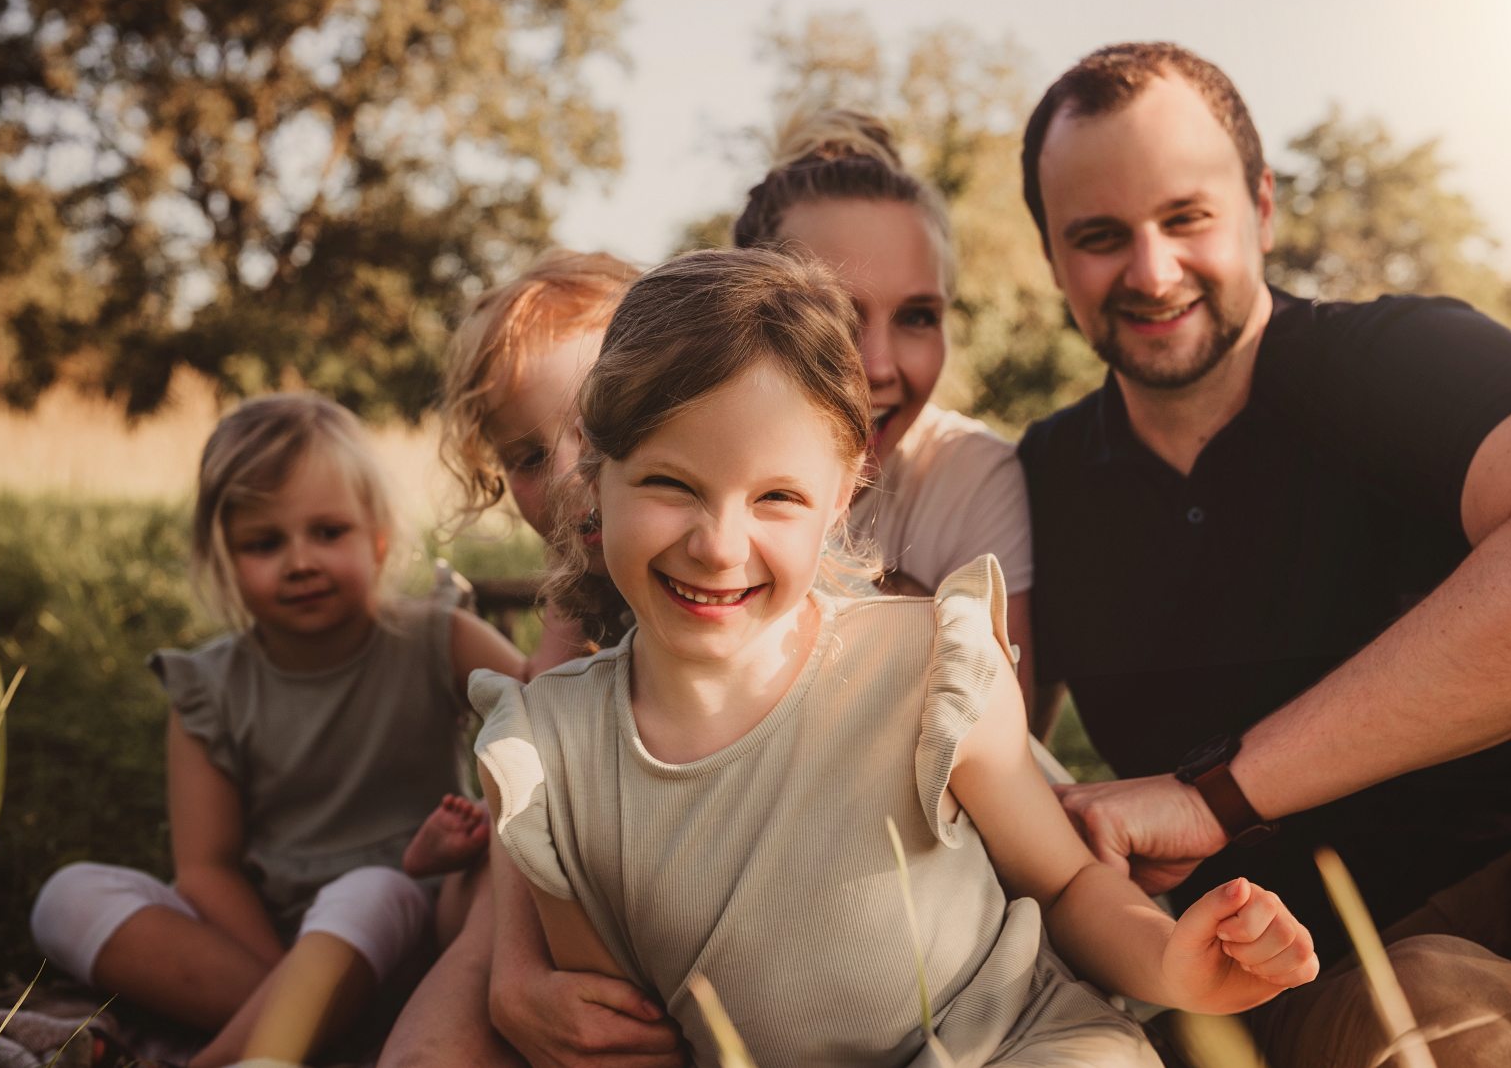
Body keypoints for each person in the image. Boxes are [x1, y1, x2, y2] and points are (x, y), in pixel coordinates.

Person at [1014, 40, 1511, 1064]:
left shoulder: (1399, 357)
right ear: (1051, 257)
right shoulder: (1038, 479)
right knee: (1430, 1003)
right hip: (1307, 976)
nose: (1150, 270)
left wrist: (1212, 794)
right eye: (1098, 236)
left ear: (1262, 207)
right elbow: (977, 766)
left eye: (1186, 217)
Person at [468, 247, 1320, 1068]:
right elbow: (625, 1040)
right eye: (670, 484)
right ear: (599, 475)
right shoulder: (551, 757)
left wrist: (1174, 961)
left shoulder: (922, 667)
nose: (720, 545)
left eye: (778, 497)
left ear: (839, 497)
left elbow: (1067, 889)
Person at [28, 393, 531, 1067]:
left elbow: (544, 709)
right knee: (66, 897)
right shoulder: (208, 687)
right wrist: (294, 974)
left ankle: (238, 1054)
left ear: (378, 537)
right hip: (268, 936)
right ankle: (322, 1023)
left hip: (413, 913)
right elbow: (206, 870)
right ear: (227, 558)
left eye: (328, 532)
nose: (300, 561)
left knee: (365, 892)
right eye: (265, 543)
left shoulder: (434, 637)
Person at [379, 249, 676, 1068]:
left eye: (596, 424)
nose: (571, 474)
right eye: (527, 456)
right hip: (560, 882)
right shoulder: (577, 596)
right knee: (482, 932)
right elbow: (527, 759)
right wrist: (512, 974)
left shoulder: (728, 560)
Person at [731, 108, 1043, 720]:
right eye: (837, 318)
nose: (877, 366)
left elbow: (1001, 739)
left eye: (918, 317)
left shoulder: (972, 477)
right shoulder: (681, 476)